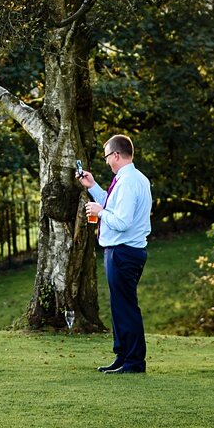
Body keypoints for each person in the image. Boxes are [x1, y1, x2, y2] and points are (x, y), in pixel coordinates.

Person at [78, 133, 152, 374]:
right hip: (123, 251)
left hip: (124, 252)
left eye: (107, 156)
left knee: (126, 307)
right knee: (120, 306)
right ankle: (122, 357)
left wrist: (99, 213)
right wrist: (94, 188)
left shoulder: (129, 182)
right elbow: (113, 205)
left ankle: (133, 362)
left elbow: (121, 221)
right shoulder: (131, 179)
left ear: (117, 155)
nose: (107, 161)